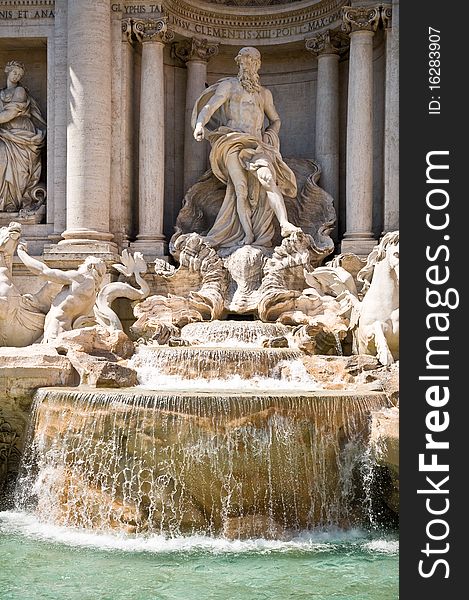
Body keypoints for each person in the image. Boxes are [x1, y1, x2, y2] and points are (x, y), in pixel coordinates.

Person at [192, 46, 301, 250]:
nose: (247, 65)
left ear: (258, 65)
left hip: (257, 143)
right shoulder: (229, 87)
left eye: (251, 61)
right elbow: (211, 106)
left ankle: (285, 224)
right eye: (243, 61)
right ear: (238, 63)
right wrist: (200, 123)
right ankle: (248, 235)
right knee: (240, 189)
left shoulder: (264, 94)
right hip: (232, 141)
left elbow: (275, 120)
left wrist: (271, 135)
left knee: (268, 178)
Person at [16, 245, 106, 343]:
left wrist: (21, 253)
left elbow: (43, 272)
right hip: (64, 330)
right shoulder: (92, 295)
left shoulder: (81, 278)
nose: (79, 266)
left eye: (83, 263)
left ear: (90, 266)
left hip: (55, 332)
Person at [0, 60, 46, 212]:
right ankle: (4, 201)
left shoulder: (20, 91)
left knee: (19, 170)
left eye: (19, 74)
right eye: (14, 72)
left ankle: (14, 203)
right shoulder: (1, 93)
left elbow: (11, 113)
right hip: (5, 134)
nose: (16, 76)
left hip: (22, 134)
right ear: (7, 71)